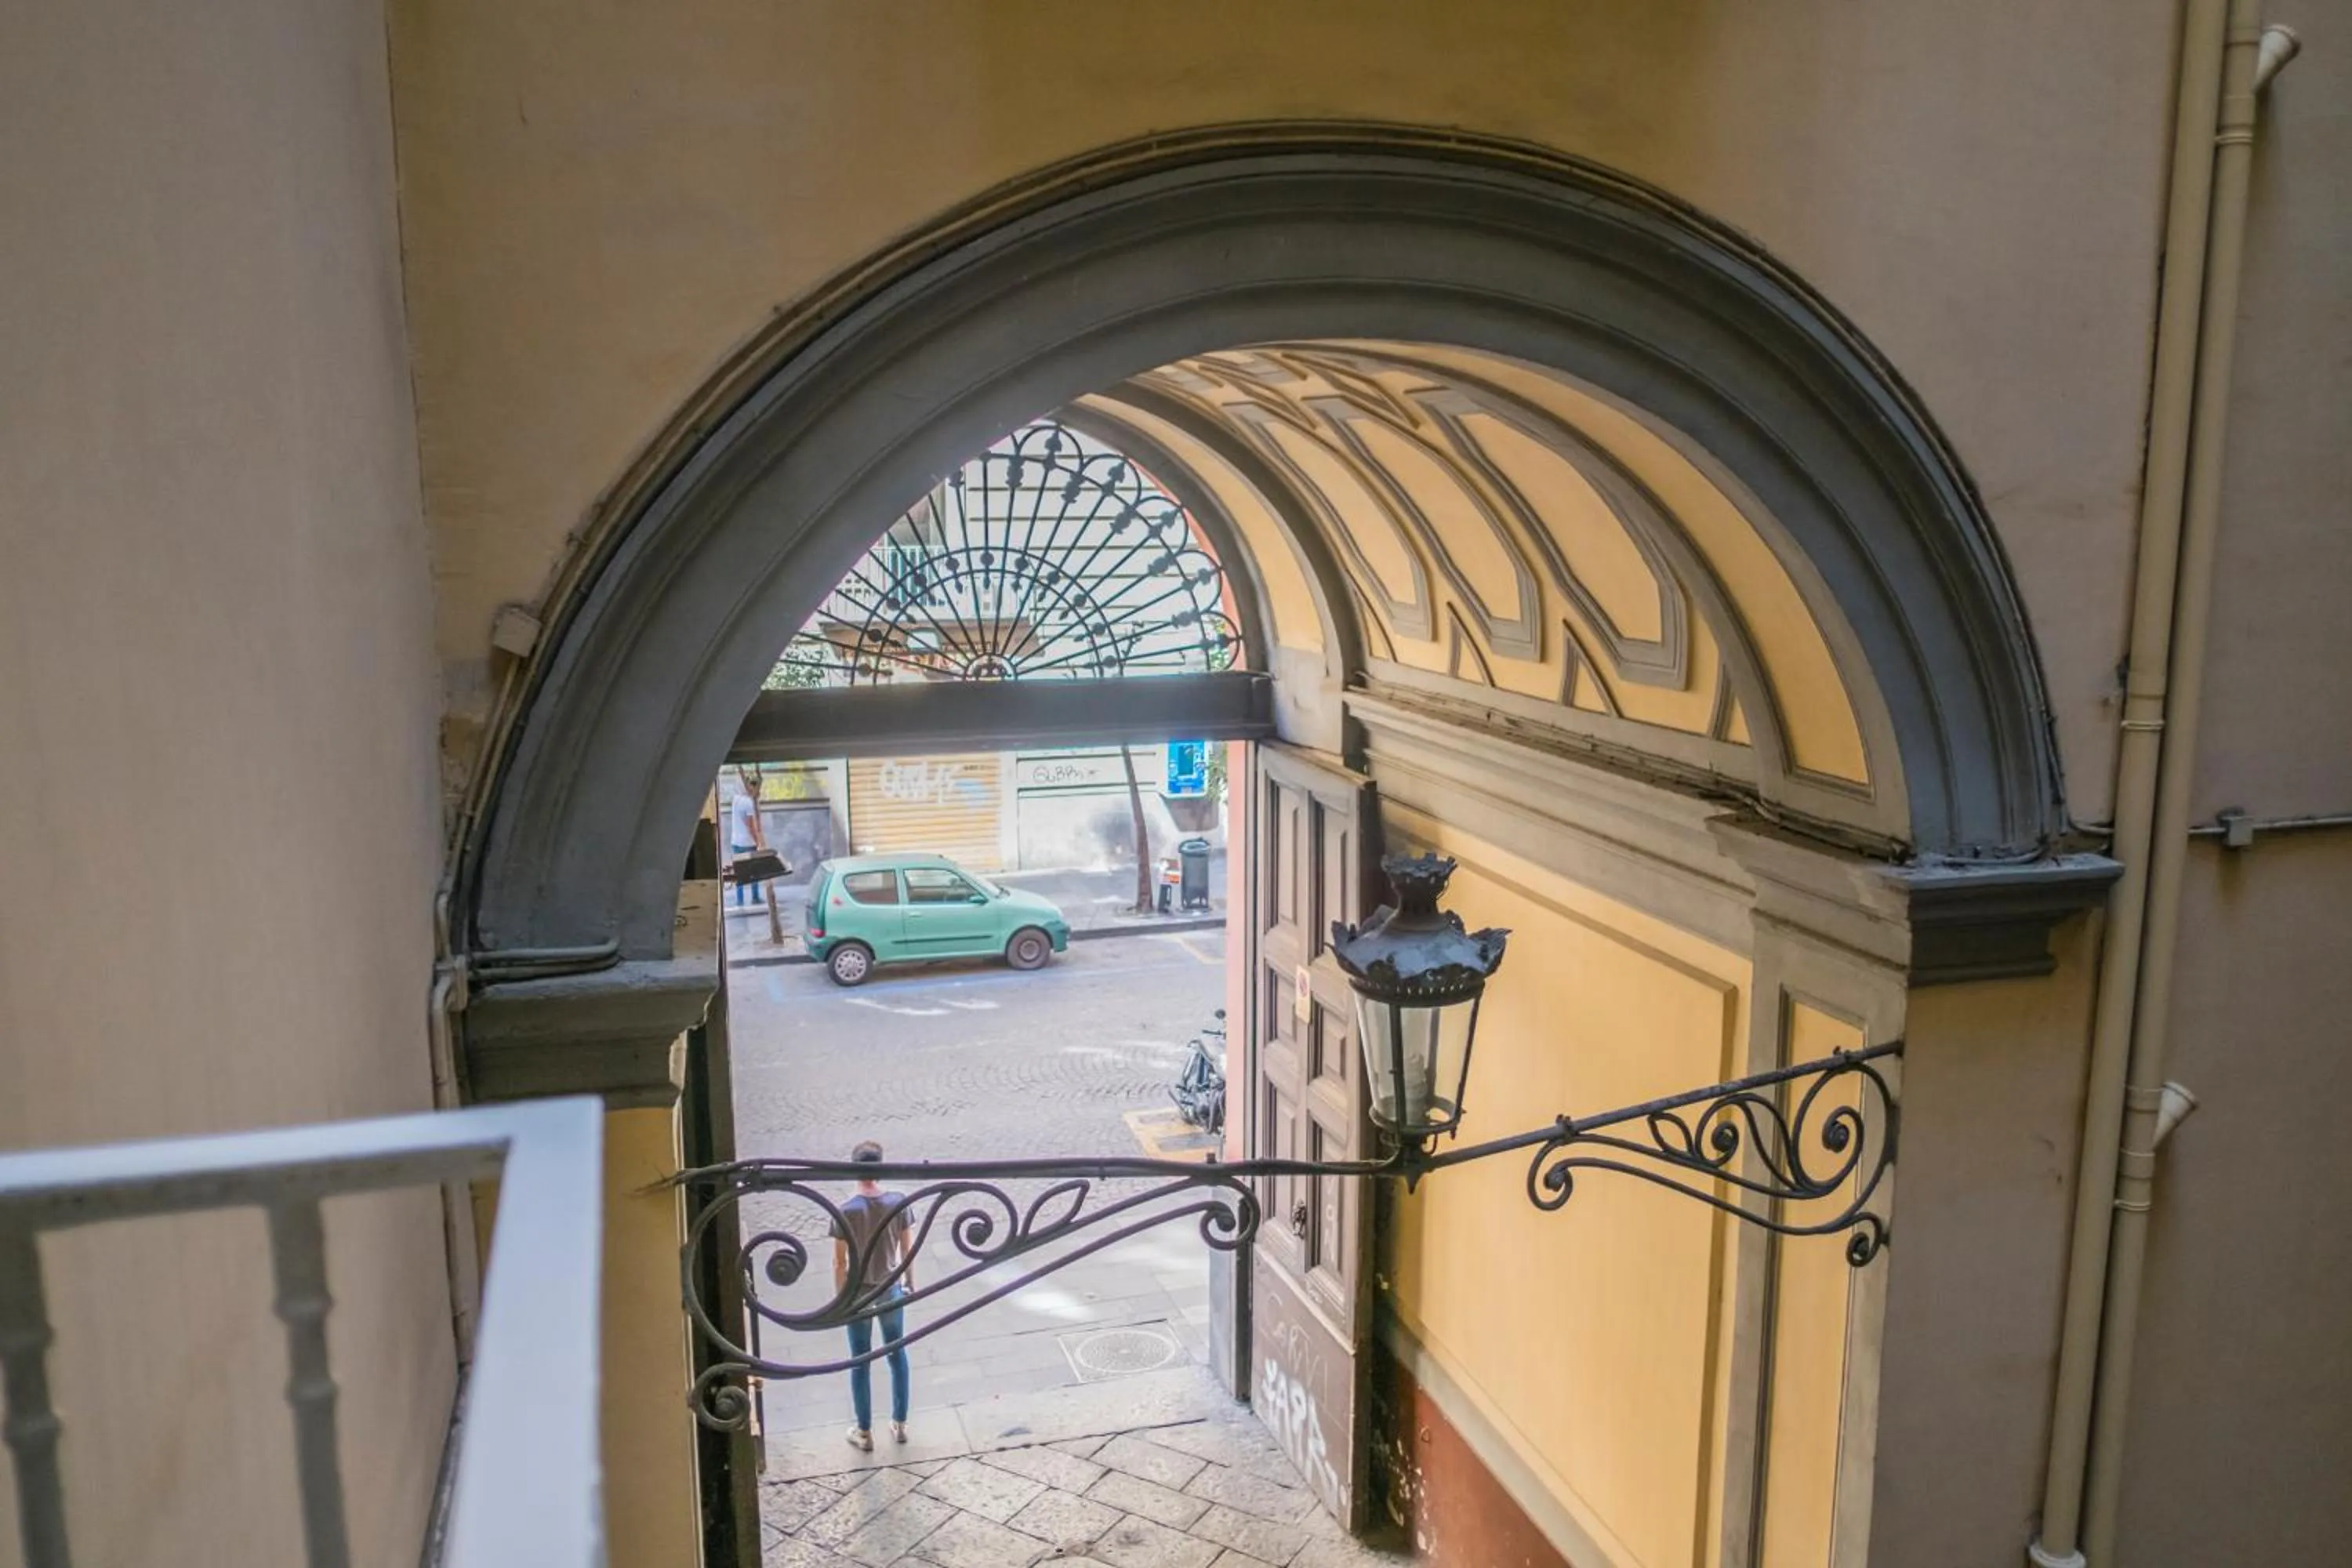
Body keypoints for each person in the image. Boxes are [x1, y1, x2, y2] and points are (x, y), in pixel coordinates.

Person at [831, 1140, 913, 1450]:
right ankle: (901, 1423)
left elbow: (839, 1262)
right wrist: (909, 1283)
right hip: (889, 1287)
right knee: (897, 1354)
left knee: (860, 1360)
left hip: (859, 1293)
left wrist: (842, 1298)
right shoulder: (898, 1202)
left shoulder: (845, 1210)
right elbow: (907, 1251)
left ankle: (864, 1433)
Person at [727, 786, 760, 906]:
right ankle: (755, 897)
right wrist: (758, 841)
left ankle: (740, 900)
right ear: (752, 788)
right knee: (754, 871)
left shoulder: (736, 799)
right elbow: (750, 825)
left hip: (736, 841)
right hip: (748, 842)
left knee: (739, 871)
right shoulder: (748, 803)